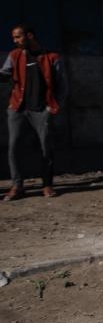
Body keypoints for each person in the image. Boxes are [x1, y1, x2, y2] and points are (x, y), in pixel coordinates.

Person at [1, 24, 65, 200]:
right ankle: (17, 186)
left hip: (41, 109)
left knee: (46, 147)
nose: (15, 41)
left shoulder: (52, 57)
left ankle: (47, 185)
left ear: (29, 36)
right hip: (17, 108)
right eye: (14, 37)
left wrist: (54, 106)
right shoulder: (14, 55)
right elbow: (5, 74)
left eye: (18, 37)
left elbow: (61, 85)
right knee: (14, 147)